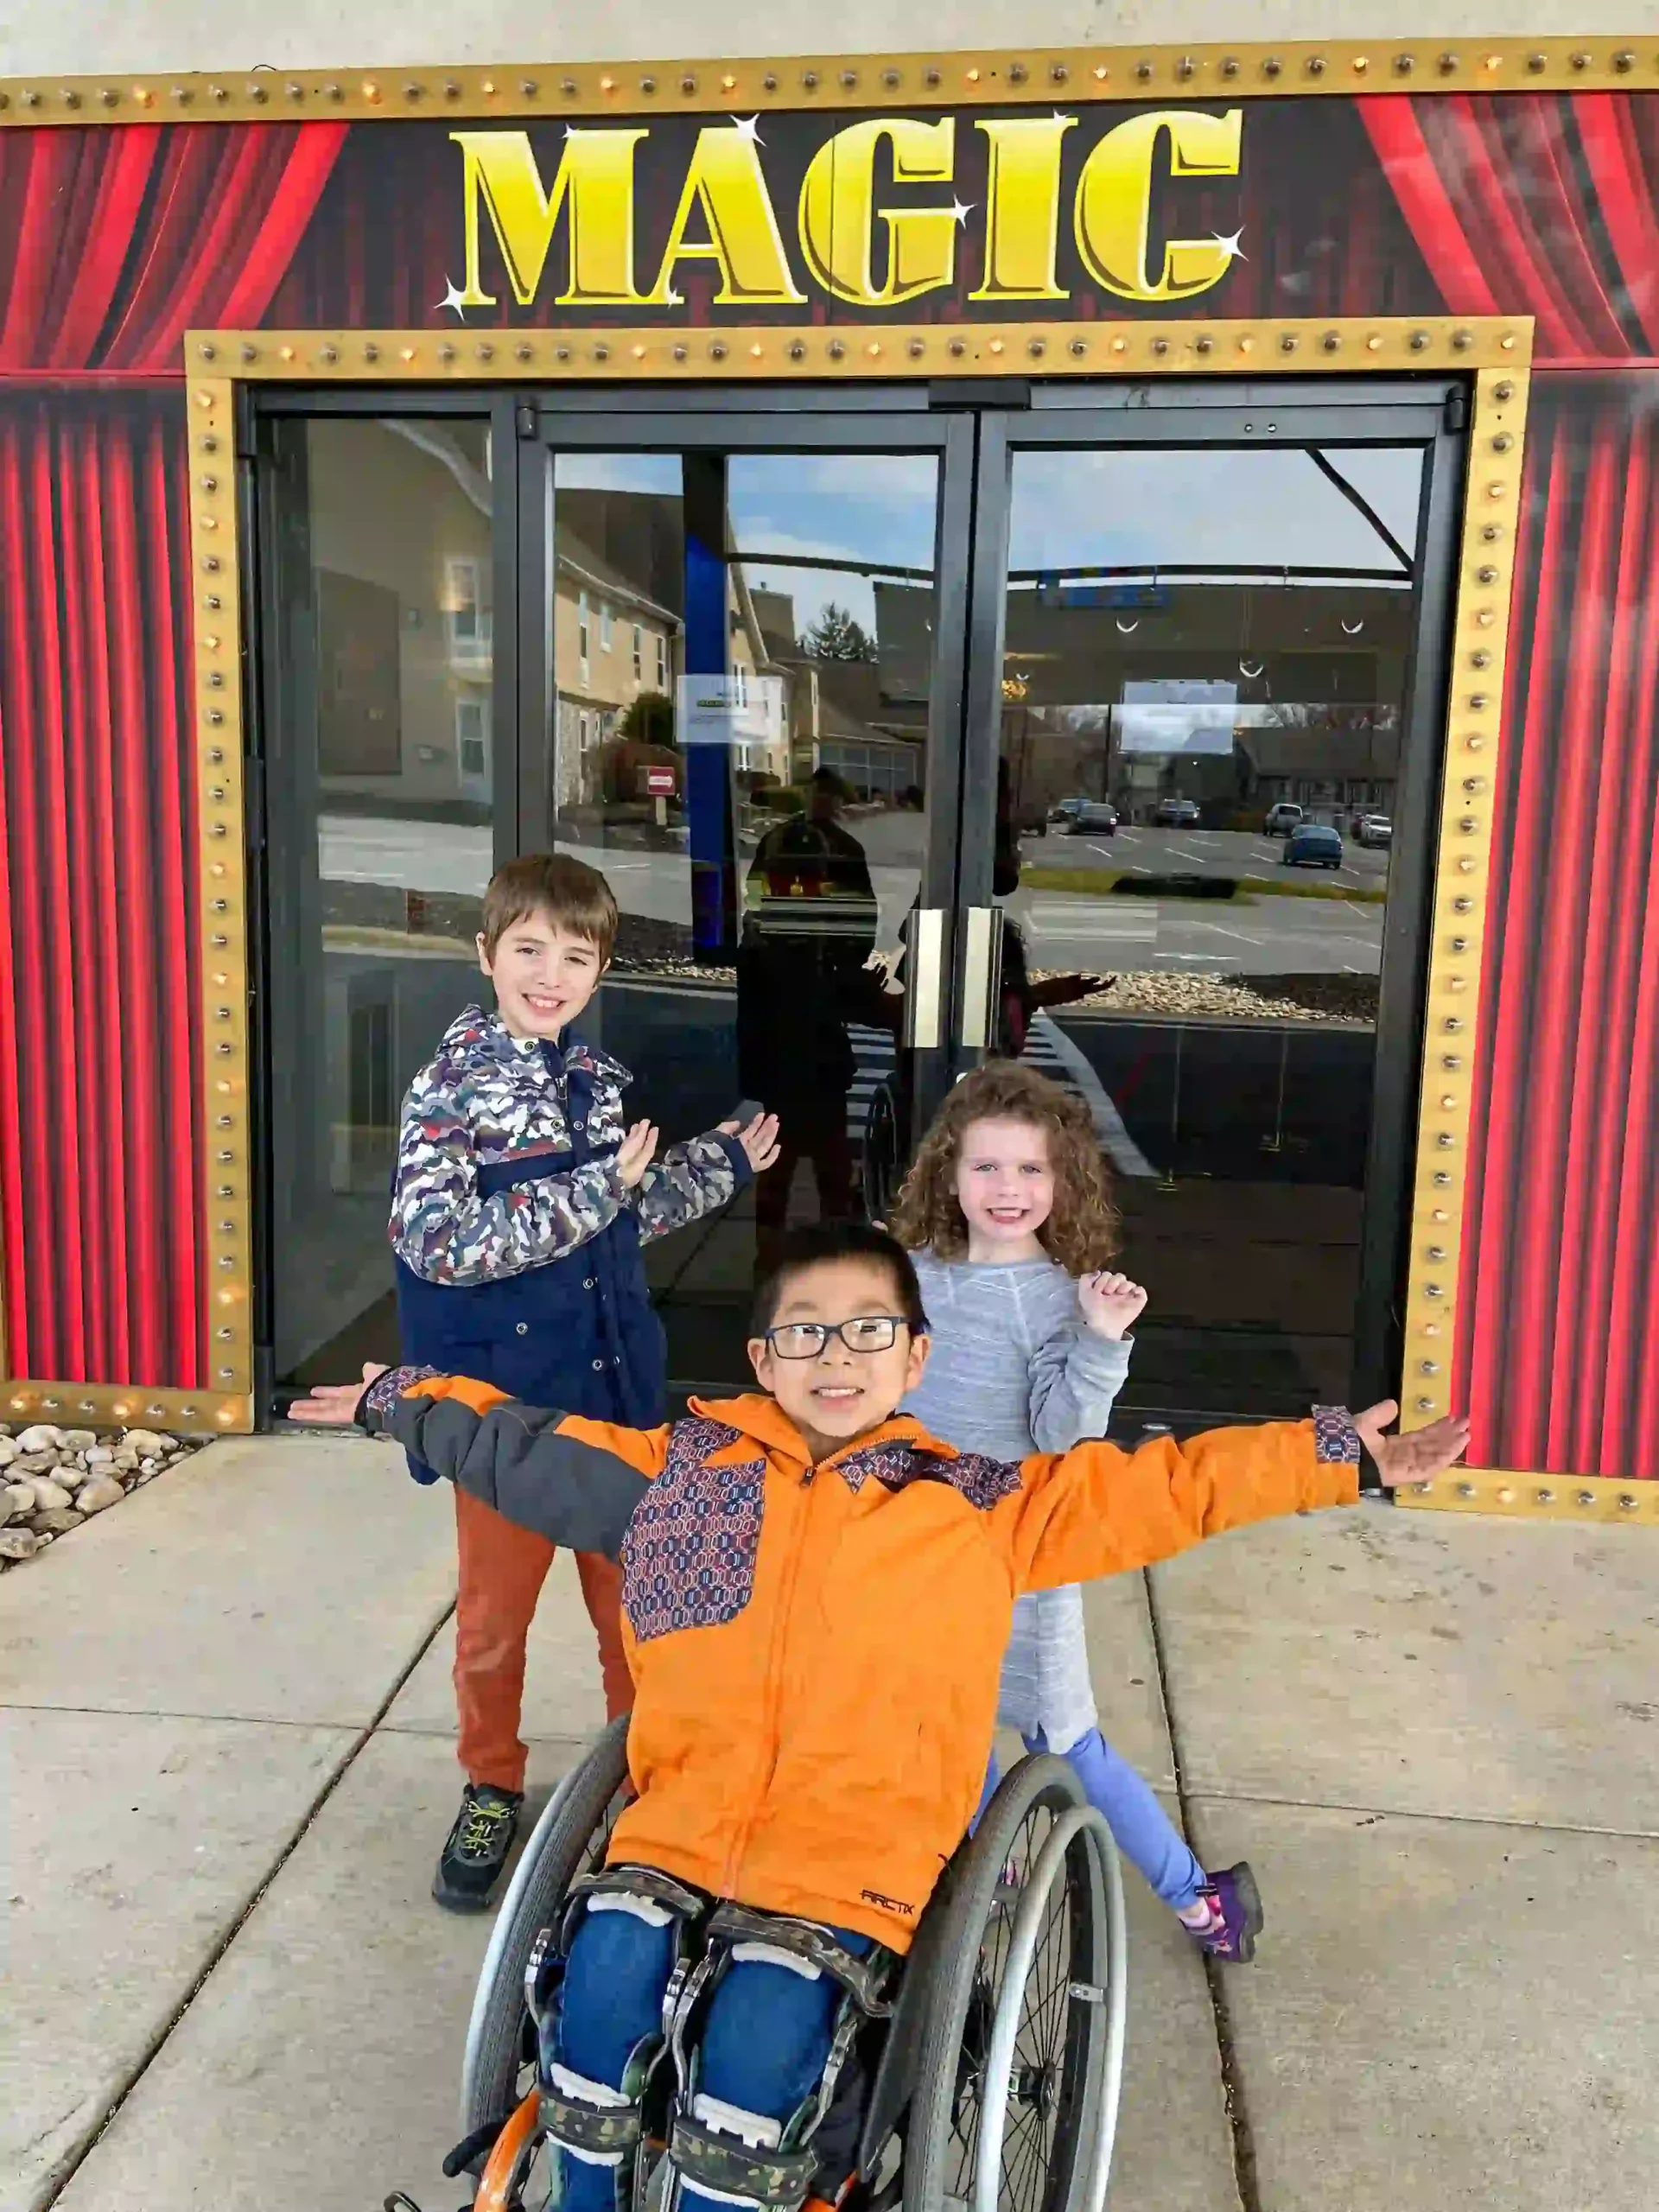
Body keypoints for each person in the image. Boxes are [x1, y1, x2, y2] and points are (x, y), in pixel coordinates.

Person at [293, 1221, 1470, 2212]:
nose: (835, 1353)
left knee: (758, 2046)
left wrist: (1335, 1458)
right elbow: (522, 1449)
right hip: (677, 1829)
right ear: (763, 1358)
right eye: (805, 1329)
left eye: (868, 1330)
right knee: (598, 1996)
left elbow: (1169, 1488)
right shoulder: (674, 1474)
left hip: (852, 1864)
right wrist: (407, 1401)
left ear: (915, 1359)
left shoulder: (982, 1503)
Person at [391, 851, 780, 1911]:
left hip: (611, 1406)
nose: (551, 972)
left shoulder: (595, 1087)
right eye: (529, 949)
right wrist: (587, 1191)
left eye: (576, 954)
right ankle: (491, 1782)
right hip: (505, 1418)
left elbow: (625, 1216)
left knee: (635, 1618)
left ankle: (642, 1783)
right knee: (493, 1623)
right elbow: (436, 1243)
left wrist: (721, 1163)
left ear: (600, 969)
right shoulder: (452, 1090)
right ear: (487, 955)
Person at [891, 1061, 1261, 1958]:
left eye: (1029, 1171)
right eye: (987, 1168)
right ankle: (993, 1872)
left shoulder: (1065, 1293)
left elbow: (1062, 1436)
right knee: (955, 1715)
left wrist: (1099, 1342)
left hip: (1024, 1556)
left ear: (1063, 1181)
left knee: (1067, 1739)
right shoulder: (914, 1271)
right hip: (924, 1543)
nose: (1007, 1189)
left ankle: (1193, 1894)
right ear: (949, 1173)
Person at [737, 768, 882, 1273]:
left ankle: (770, 1257)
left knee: (786, 1159)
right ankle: (830, 1253)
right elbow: (861, 926)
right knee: (823, 1160)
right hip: (811, 1035)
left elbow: (753, 912)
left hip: (785, 1035)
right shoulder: (841, 850)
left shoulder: (778, 842)